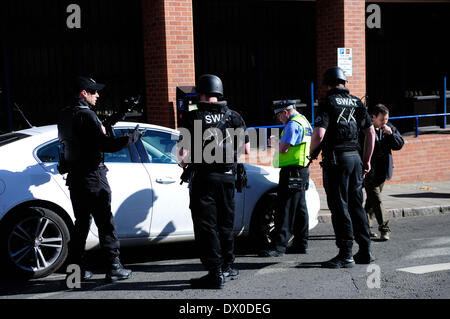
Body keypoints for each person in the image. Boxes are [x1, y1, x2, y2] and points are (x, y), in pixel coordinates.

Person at [58, 76, 143, 283]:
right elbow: (106, 145)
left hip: (76, 178)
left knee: (81, 225)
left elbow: (83, 140)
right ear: (83, 93)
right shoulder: (87, 115)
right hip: (93, 178)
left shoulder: (65, 114)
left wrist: (113, 118)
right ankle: (114, 268)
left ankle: (74, 273)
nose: (98, 94)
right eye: (93, 91)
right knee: (105, 223)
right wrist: (133, 137)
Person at [177, 74, 250, 289]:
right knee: (225, 224)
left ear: (201, 93)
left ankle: (214, 272)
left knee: (206, 226)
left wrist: (186, 164)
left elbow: (182, 154)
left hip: (204, 179)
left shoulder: (193, 116)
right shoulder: (234, 116)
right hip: (227, 178)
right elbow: (245, 149)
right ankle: (228, 267)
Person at [310, 66, 376, 268]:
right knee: (356, 205)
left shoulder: (327, 102)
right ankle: (365, 251)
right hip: (355, 159)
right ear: (344, 83)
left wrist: (311, 153)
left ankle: (345, 254)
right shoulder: (357, 101)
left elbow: (320, 134)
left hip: (336, 161)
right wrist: (366, 160)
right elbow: (371, 133)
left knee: (340, 207)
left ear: (328, 84)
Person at [258, 100, 312, 257]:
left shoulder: (293, 124)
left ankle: (279, 246)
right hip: (301, 169)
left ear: (285, 112)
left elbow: (284, 148)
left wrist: (274, 143)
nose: (279, 119)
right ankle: (301, 243)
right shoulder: (304, 121)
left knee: (285, 208)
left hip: (292, 171)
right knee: (300, 208)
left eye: (279, 116)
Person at [363, 104, 404, 241]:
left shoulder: (389, 127)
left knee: (371, 201)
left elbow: (399, 144)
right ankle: (384, 229)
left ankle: (364, 228)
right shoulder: (365, 128)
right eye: (382, 119)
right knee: (377, 200)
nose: (384, 122)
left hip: (382, 171)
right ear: (373, 117)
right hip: (369, 171)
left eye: (386, 119)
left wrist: (391, 134)